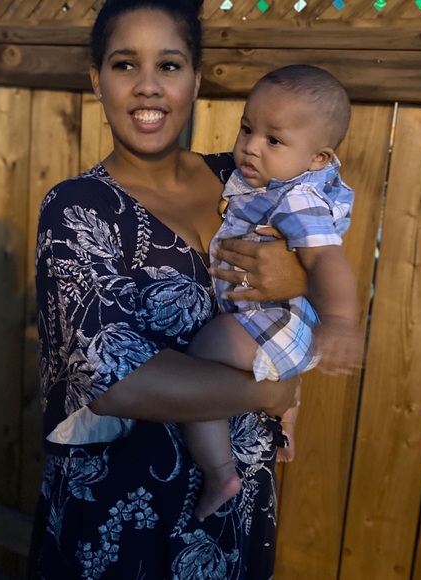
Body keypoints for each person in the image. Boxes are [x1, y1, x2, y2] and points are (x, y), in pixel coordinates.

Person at [28, 1, 308, 578]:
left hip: (237, 511)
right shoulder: (77, 209)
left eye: (170, 65)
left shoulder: (246, 182)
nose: (148, 86)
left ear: (196, 80)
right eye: (125, 65)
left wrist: (297, 278)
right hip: (120, 522)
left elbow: (319, 258)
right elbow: (115, 380)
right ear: (97, 81)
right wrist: (269, 393)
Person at [182, 64, 364, 523]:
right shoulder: (273, 185)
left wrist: (342, 321)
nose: (251, 146)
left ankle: (219, 472)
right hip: (277, 324)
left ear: (318, 158)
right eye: (247, 129)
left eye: (274, 140)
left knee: (198, 361)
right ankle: (287, 413)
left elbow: (326, 260)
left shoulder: (298, 199)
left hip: (273, 323)